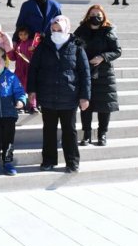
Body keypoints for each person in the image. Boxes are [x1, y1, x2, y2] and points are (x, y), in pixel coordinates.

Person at [27, 16, 90, 173]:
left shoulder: (76, 46)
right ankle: (48, 160)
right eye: (53, 30)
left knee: (69, 131)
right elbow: (33, 69)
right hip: (47, 96)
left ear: (66, 29)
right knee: (49, 130)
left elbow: (85, 72)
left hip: (69, 96)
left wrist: (85, 96)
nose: (56, 33)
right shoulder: (43, 45)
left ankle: (72, 161)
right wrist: (32, 90)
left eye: (59, 30)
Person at [74, 5, 121, 146]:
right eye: (93, 13)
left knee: (104, 106)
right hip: (85, 72)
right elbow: (74, 46)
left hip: (104, 73)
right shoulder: (81, 30)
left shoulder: (108, 30)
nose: (96, 16)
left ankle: (102, 134)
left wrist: (102, 57)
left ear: (103, 16)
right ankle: (86, 134)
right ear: (88, 15)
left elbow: (117, 51)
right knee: (85, 104)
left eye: (98, 14)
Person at [0, 47, 27, 176]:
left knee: (8, 140)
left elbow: (19, 91)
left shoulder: (12, 77)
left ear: (5, 62)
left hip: (9, 115)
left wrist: (21, 101)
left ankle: (7, 162)